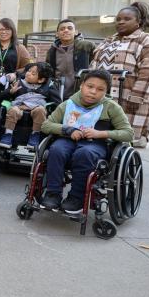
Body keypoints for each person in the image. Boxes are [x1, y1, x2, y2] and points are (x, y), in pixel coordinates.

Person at [40, 69, 133, 214]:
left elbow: (128, 133)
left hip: (95, 144)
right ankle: (53, 193)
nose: (93, 91)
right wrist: (68, 130)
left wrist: (100, 133)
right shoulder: (68, 104)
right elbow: (46, 125)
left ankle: (76, 198)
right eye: (90, 86)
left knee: (85, 153)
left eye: (100, 89)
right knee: (56, 150)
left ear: (106, 91)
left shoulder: (111, 107)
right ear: (82, 85)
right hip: (67, 140)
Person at [91, 2, 149, 148]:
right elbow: (94, 66)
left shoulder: (147, 41)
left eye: (127, 18)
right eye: (118, 19)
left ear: (139, 22)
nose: (121, 22)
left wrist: (136, 98)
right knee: (103, 143)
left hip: (131, 100)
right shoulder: (109, 40)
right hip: (106, 99)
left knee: (128, 143)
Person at [0, 62, 60, 149]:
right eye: (29, 71)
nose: (28, 73)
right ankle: (8, 134)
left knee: (40, 110)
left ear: (41, 80)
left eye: (33, 73)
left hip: (36, 110)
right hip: (19, 108)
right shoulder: (19, 82)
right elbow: (2, 97)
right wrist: (10, 92)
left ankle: (35, 135)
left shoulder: (48, 87)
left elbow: (57, 103)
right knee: (13, 110)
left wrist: (47, 108)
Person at [0, 18, 34, 120]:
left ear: (12, 31)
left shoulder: (19, 48)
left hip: (10, 87)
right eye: (0, 29)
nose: (3, 32)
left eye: (7, 29)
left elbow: (29, 67)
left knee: (5, 116)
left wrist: (16, 74)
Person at [47, 19, 95, 98]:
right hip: (58, 93)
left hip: (81, 93)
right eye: (62, 29)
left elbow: (95, 63)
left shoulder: (87, 46)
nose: (66, 30)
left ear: (76, 32)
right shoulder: (52, 51)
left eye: (70, 28)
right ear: (57, 34)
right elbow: (49, 71)